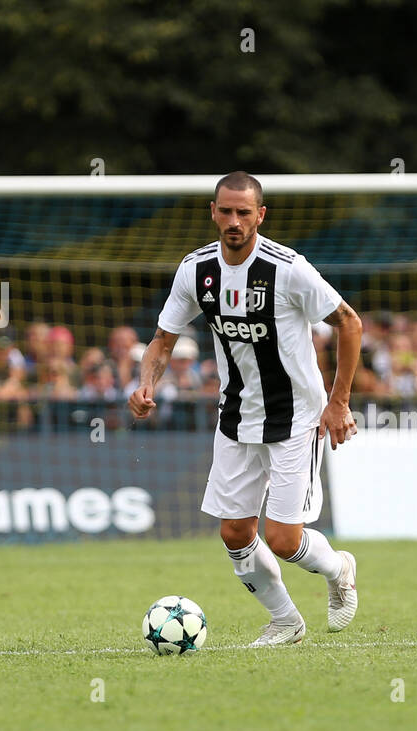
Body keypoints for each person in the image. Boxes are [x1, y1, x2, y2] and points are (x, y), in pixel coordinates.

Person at [129, 171, 361, 646]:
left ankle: (338, 568)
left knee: (282, 538)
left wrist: (338, 403)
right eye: (226, 211)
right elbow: (162, 340)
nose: (234, 220)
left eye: (243, 212)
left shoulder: (288, 268)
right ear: (213, 212)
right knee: (234, 532)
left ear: (260, 215)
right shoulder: (195, 270)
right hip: (235, 416)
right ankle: (285, 621)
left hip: (296, 416)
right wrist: (145, 384)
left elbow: (349, 322)